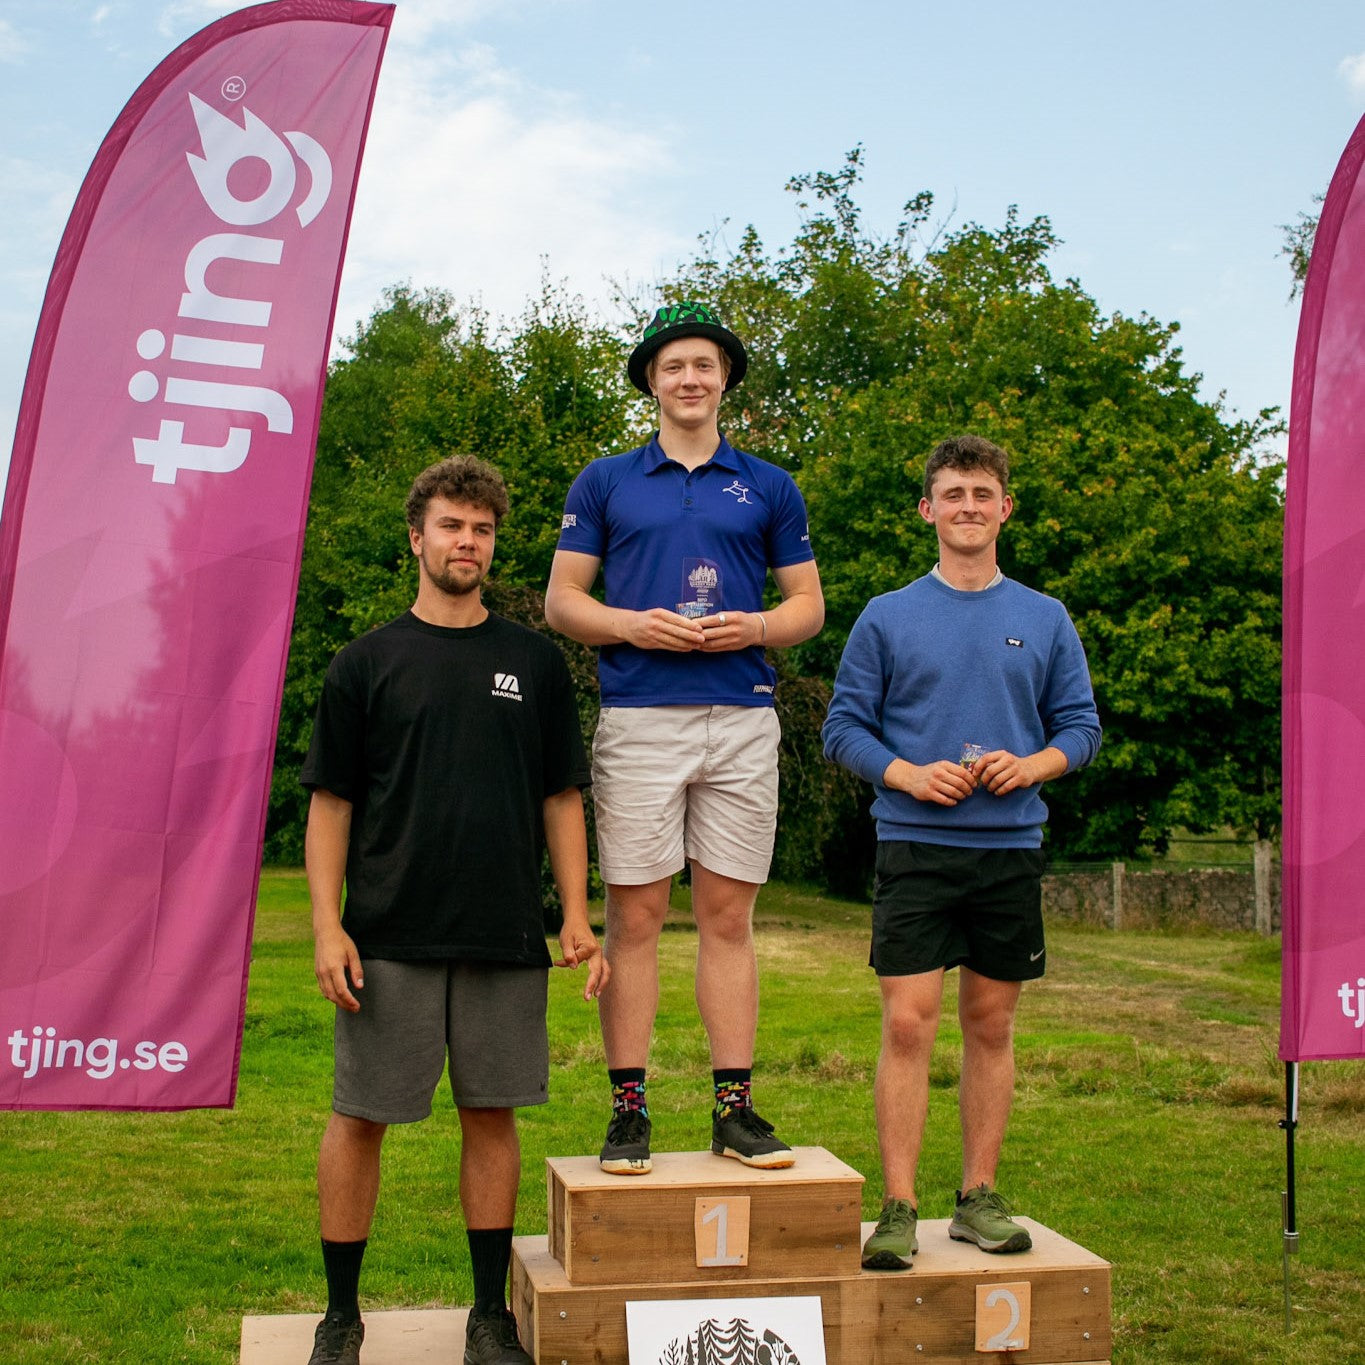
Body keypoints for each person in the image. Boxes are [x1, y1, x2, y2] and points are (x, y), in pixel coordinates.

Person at [300, 455, 607, 1365]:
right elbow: (331, 805)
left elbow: (561, 797)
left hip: (503, 931)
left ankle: (487, 1317)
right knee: (359, 1117)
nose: (465, 541)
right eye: (449, 525)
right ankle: (340, 1317)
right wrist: (328, 922)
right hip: (387, 934)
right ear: (417, 537)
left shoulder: (531, 661)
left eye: (480, 528)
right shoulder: (366, 663)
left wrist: (576, 915)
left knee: (492, 1117)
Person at [544, 301, 824, 1176]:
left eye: (704, 364)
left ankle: (732, 1112)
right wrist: (634, 625)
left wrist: (755, 629)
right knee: (634, 916)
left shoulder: (769, 485)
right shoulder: (605, 480)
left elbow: (807, 608)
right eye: (673, 367)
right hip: (638, 719)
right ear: (652, 383)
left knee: (728, 918)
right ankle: (628, 1111)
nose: (690, 378)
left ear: (724, 378)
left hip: (740, 716)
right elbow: (563, 603)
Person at [822, 434, 1100, 1271]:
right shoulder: (887, 613)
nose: (967, 507)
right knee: (908, 1024)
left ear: (1004, 507)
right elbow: (842, 728)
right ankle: (898, 1206)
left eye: (982, 493)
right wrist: (904, 772)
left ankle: (977, 1194)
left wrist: (1034, 764)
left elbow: (1080, 729)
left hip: (1008, 850)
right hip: (913, 845)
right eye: (952, 493)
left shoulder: (1043, 617)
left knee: (991, 1022)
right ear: (928, 509)